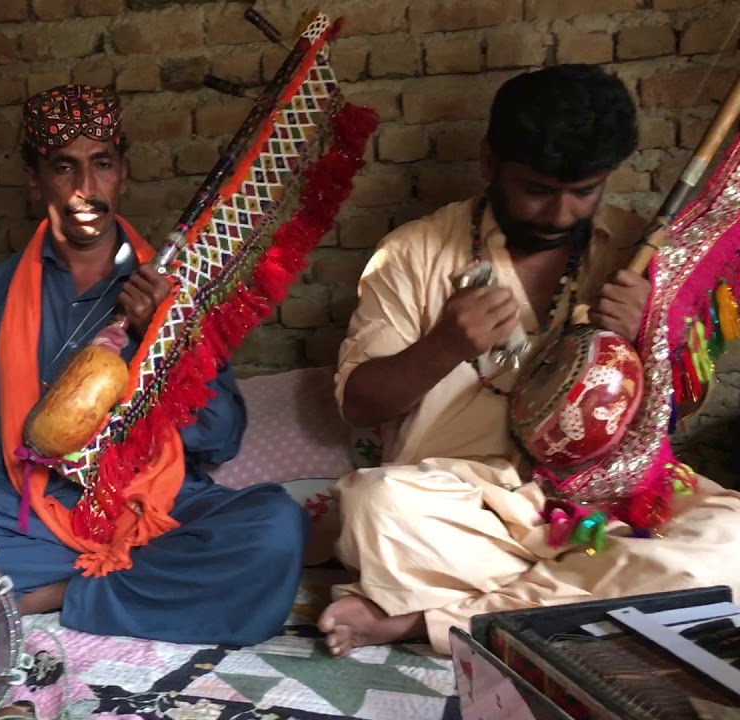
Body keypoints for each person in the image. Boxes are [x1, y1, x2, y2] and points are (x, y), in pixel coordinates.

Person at [317, 64, 740, 658]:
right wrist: (445, 345)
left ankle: (432, 621)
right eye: (538, 190)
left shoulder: (637, 252)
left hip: (608, 503)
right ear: (491, 163)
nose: (562, 214)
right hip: (463, 505)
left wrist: (649, 339)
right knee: (374, 508)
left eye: (584, 191)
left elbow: (678, 410)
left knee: (732, 543)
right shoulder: (411, 253)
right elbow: (361, 405)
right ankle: (590, 604)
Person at [0, 84, 308, 647]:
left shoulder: (173, 289)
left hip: (154, 511)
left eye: (102, 164)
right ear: (34, 179)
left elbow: (220, 440)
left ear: (124, 174)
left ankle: (67, 593)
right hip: (32, 512)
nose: (85, 189)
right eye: (64, 168)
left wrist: (164, 339)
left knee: (275, 530)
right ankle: (103, 580)